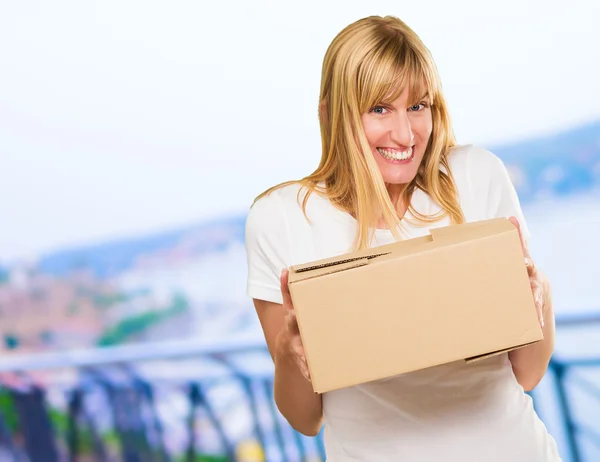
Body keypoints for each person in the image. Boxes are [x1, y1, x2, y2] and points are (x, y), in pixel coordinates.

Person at [244, 15, 561, 461]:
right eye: (379, 109)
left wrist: (539, 294)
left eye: (418, 106)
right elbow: (305, 419)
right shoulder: (283, 220)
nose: (405, 134)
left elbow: (527, 373)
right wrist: (288, 351)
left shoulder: (475, 177)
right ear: (332, 113)